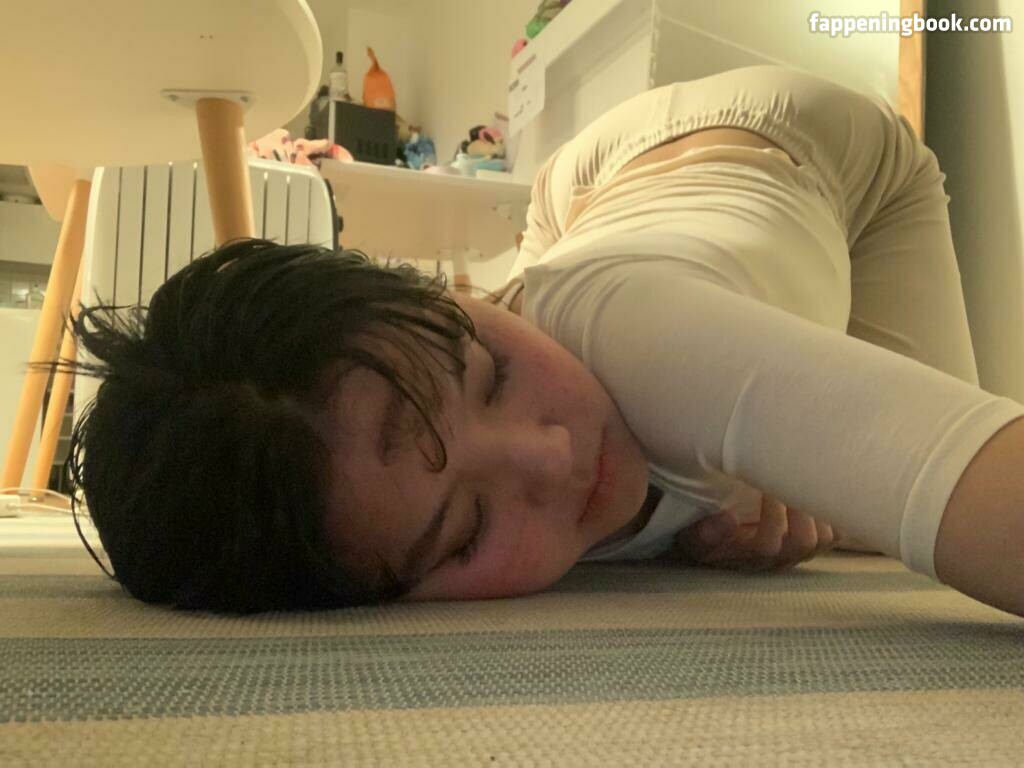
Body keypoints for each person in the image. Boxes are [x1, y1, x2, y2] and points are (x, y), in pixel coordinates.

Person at [45, 66, 1024, 616]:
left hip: (801, 146)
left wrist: (809, 474)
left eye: (491, 374)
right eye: (466, 528)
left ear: (437, 289)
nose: (555, 456)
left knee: (899, 527)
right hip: (583, 201)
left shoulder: (639, 326)